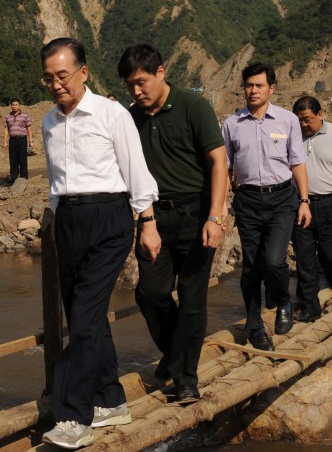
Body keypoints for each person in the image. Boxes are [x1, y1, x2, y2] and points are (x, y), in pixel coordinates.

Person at [40, 38, 161, 449]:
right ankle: (110, 400)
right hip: (69, 220)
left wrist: (147, 222)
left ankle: (74, 417)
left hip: (109, 217)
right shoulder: (48, 122)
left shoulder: (112, 114)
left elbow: (136, 169)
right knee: (82, 314)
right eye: (49, 78)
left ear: (83, 72)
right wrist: (55, 217)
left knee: (86, 316)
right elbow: (55, 179)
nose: (57, 84)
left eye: (63, 75)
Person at [118, 43, 228, 403]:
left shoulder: (193, 106)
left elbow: (219, 162)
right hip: (153, 216)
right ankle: (176, 352)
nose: (137, 91)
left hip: (195, 213)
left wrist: (215, 215)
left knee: (193, 296)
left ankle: (186, 378)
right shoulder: (131, 118)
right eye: (130, 86)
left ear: (161, 72)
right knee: (149, 293)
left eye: (142, 82)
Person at [222, 63, 311, 352]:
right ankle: (255, 324)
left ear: (271, 88)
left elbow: (297, 162)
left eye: (259, 85)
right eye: (249, 85)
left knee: (274, 260)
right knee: (251, 266)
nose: (253, 90)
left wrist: (304, 201)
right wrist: (221, 205)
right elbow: (226, 169)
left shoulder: (287, 120)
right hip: (248, 200)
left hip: (282, 198)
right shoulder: (232, 124)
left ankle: (283, 300)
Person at [292, 96, 332, 321]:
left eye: (307, 119)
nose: (304, 124)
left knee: (329, 256)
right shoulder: (294, 136)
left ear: (320, 114)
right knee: (305, 259)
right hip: (300, 205)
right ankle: (309, 308)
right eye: (299, 120)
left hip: (329, 204)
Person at [2, 98, 33, 183]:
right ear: (11, 106)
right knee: (13, 160)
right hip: (12, 140)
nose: (14, 106)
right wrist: (5, 142)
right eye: (13, 105)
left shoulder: (25, 116)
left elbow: (29, 128)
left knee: (23, 160)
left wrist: (31, 141)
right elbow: (6, 129)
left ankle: (23, 179)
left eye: (16, 105)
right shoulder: (7, 117)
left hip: (22, 140)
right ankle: (13, 178)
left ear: (19, 105)